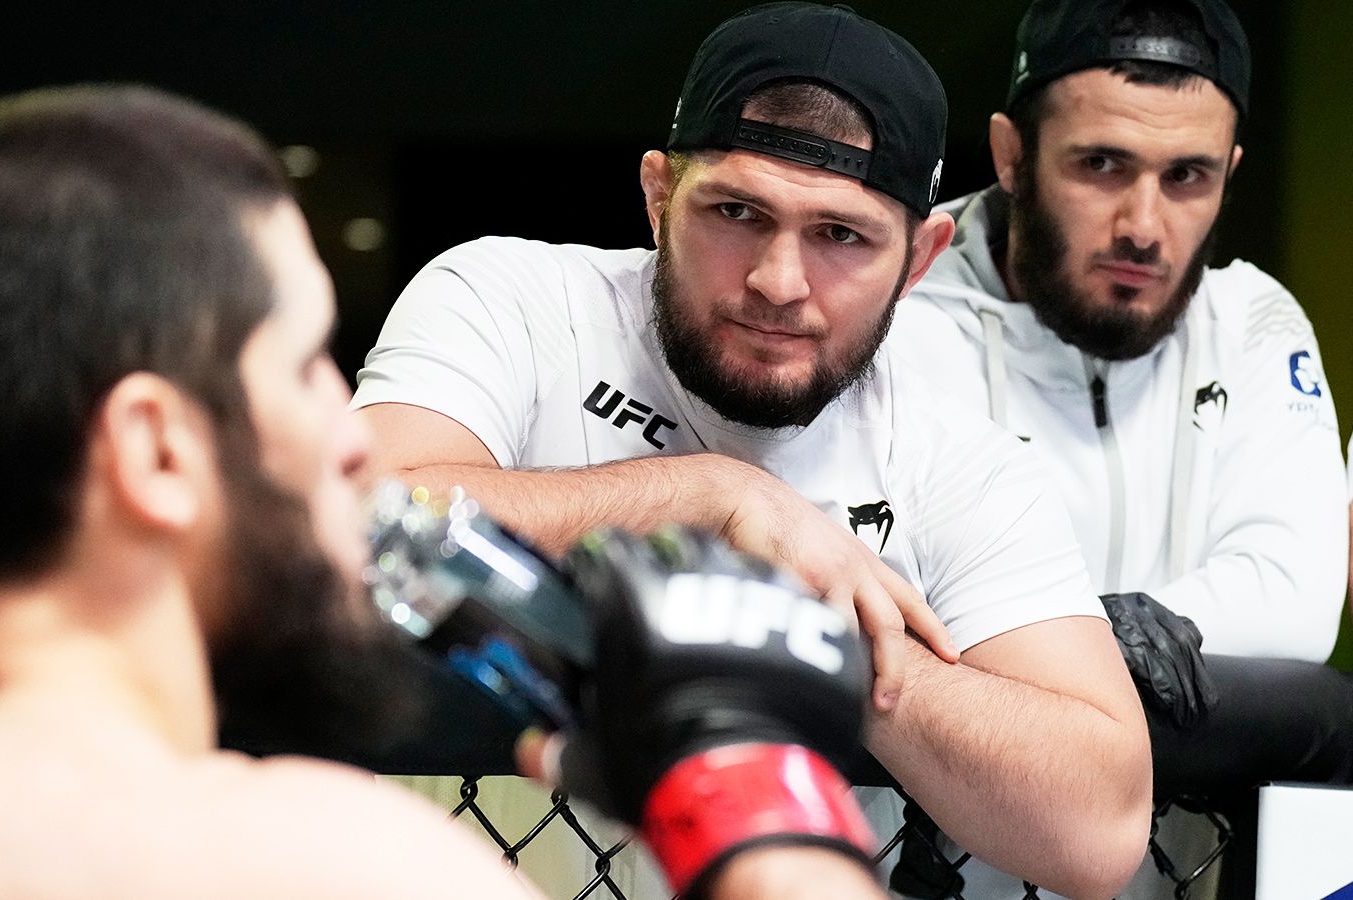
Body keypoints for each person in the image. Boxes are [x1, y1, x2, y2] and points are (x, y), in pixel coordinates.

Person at [0, 85, 888, 900]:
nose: (351, 438)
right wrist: (749, 794)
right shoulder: (319, 865)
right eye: (305, 367)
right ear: (155, 450)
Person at [353, 3, 1152, 897]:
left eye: (841, 235)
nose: (778, 281)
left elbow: (1099, 830)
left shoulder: (955, 458)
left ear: (920, 259)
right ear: (659, 197)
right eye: (736, 211)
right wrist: (715, 496)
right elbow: (351, 526)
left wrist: (814, 639)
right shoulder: (516, 302)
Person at [894, 0, 1353, 895]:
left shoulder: (1251, 319)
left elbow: (1295, 600)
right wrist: (1115, 641)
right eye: (1102, 165)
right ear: (1011, 155)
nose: (1144, 225)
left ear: (1230, 172)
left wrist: (1059, 641)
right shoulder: (890, 301)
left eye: (1188, 176)